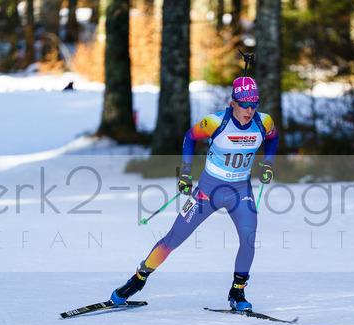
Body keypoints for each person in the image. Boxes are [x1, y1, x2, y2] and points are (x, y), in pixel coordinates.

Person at [110, 76, 279, 311]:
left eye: (254, 104)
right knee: (174, 238)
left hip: (240, 191)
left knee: (248, 238)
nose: (250, 110)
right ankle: (137, 280)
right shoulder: (214, 122)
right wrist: (185, 173)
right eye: (244, 104)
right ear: (233, 103)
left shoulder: (264, 121)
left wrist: (267, 164)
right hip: (208, 190)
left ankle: (237, 292)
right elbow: (190, 138)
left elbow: (273, 138)